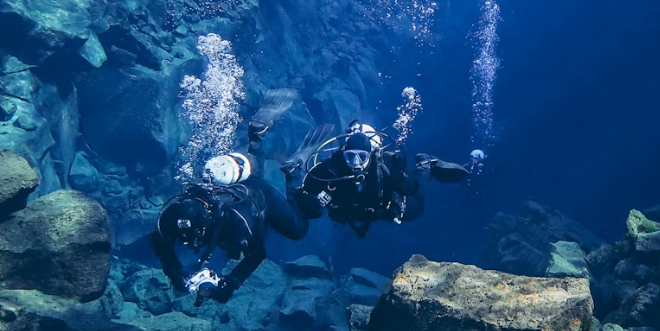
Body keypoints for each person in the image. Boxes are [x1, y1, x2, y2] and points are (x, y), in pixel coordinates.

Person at [152, 89, 313, 305]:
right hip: (229, 184)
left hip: (260, 196)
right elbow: (159, 240)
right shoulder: (172, 218)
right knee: (255, 169)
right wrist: (174, 272)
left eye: (193, 237)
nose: (188, 242)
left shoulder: (237, 224)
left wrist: (229, 285)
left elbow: (257, 254)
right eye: (185, 238)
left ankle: (294, 175)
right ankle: (256, 134)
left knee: (298, 231)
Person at [285, 121, 469, 238]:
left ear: (370, 155)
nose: (355, 163)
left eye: (361, 157)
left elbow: (410, 189)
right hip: (351, 212)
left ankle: (425, 165)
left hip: (380, 208)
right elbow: (306, 188)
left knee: (417, 207)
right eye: (350, 157)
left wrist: (398, 186)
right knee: (308, 211)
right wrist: (296, 182)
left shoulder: (385, 166)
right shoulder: (331, 168)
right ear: (343, 154)